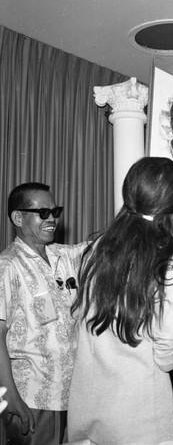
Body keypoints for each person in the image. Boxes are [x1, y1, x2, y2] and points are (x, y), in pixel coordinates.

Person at [68, 157, 173, 445]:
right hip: (138, 418)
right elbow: (166, 357)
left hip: (88, 412)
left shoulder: (94, 251)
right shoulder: (169, 262)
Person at [0, 182, 88, 445]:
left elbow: (104, 242)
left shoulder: (64, 256)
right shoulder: (8, 266)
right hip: (30, 400)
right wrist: (8, 397)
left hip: (71, 398)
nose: (52, 219)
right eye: (43, 213)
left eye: (55, 211)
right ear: (18, 217)